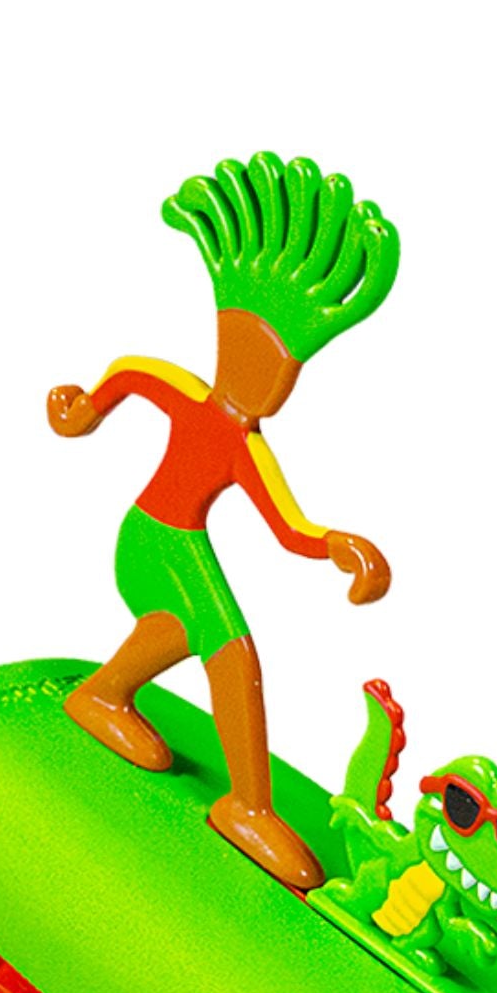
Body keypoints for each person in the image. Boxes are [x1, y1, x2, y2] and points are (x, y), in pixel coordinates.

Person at [48, 152, 399, 888]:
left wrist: (339, 547)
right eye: (263, 361)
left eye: (284, 372)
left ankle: (104, 695)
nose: (272, 384)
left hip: (178, 547)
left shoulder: (244, 447)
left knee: (187, 633)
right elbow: (132, 375)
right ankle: (245, 806)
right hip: (151, 541)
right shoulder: (192, 401)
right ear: (227, 343)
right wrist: (84, 411)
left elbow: (289, 528)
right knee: (231, 650)